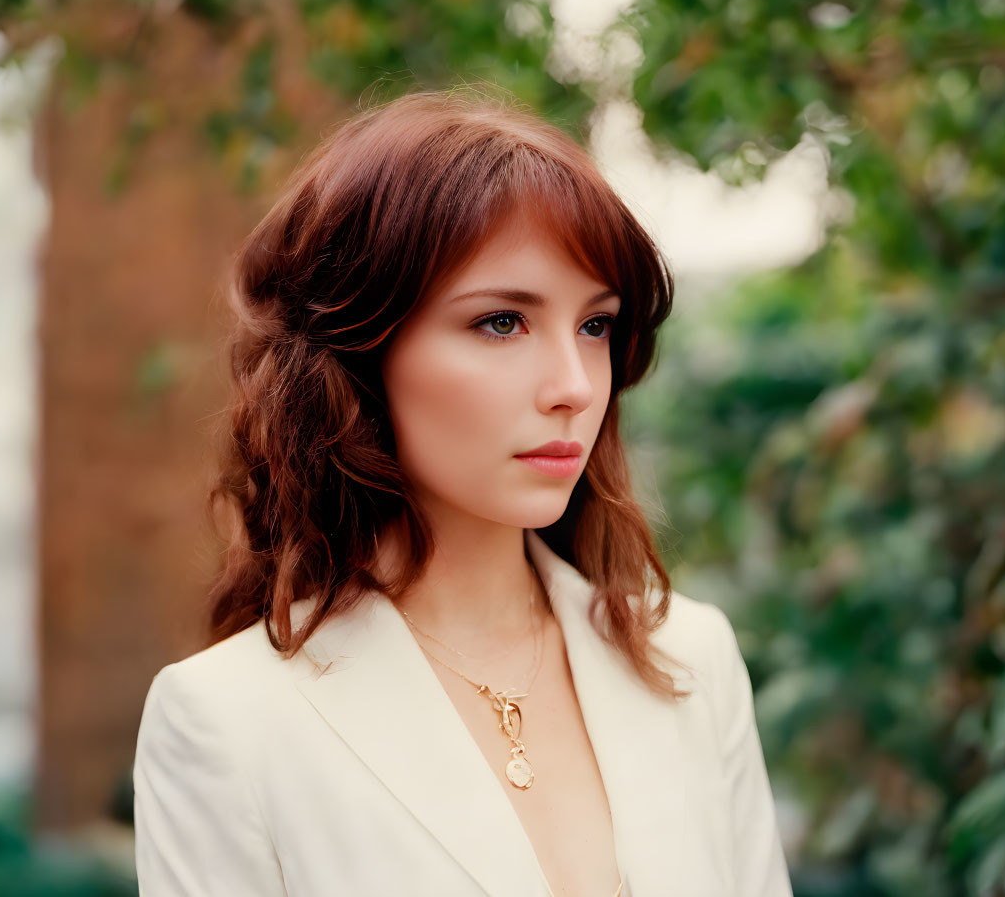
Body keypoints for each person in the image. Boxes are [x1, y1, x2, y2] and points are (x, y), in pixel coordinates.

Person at [131, 84, 793, 897]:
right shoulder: (228, 719)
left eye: (594, 325)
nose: (573, 386)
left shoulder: (688, 660)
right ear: (359, 355)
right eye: (502, 322)